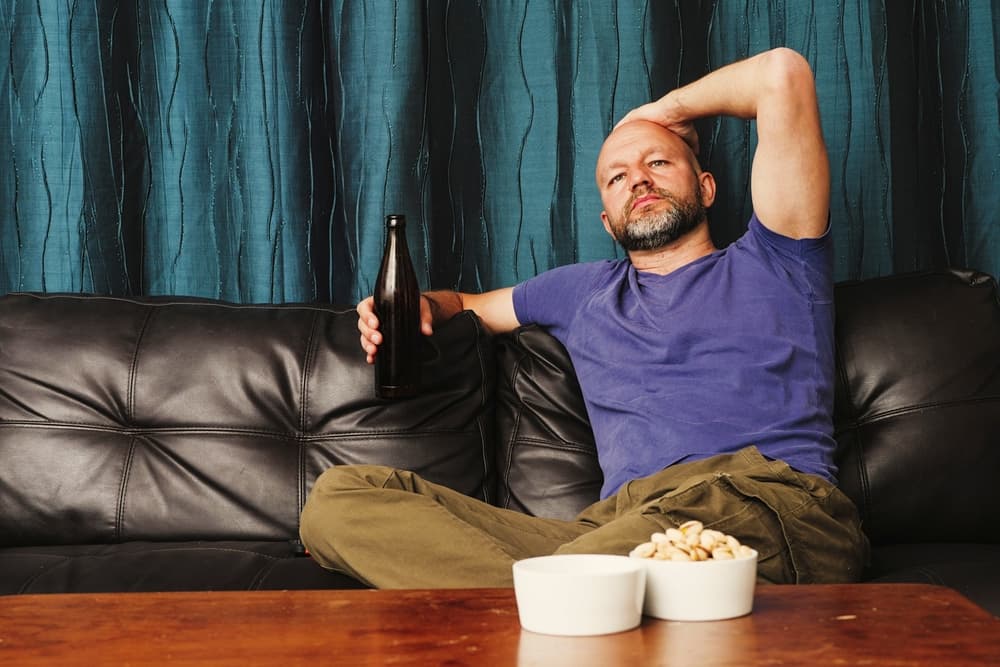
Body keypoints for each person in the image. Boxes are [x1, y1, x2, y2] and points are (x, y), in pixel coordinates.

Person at [299, 47, 869, 588]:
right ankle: (563, 602)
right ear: (607, 220)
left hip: (760, 501)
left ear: (707, 186)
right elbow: (467, 305)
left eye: (658, 161)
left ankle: (558, 602)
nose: (638, 179)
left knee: (581, 570)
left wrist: (657, 114)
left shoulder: (779, 259)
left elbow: (781, 75)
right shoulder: (580, 290)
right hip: (612, 529)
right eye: (617, 176)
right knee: (338, 498)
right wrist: (420, 308)